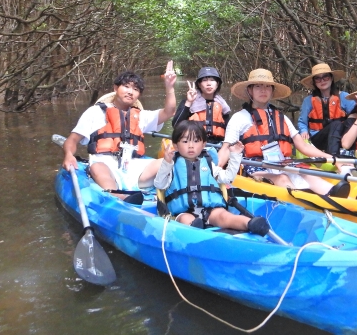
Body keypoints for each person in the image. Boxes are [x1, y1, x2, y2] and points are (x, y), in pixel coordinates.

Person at [60, 62, 178, 201]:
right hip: (105, 165)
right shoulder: (95, 112)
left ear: (138, 94)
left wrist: (169, 87)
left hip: (135, 168)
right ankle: (118, 197)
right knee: (97, 167)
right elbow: (72, 140)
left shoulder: (141, 116)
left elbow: (169, 111)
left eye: (135, 89)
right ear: (116, 88)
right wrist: (69, 155)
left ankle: (176, 196)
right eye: (126, 86)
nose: (130, 91)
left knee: (169, 161)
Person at [218, 68, 343, 195]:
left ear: (272, 91)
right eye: (258, 86)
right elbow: (226, 148)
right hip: (255, 166)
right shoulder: (239, 118)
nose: (263, 90)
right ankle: (302, 201)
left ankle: (337, 198)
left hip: (282, 163)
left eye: (267, 86)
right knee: (282, 178)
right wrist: (217, 169)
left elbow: (303, 146)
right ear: (250, 90)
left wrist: (332, 158)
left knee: (309, 175)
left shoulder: (281, 117)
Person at [154, 120, 270, 235]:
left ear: (203, 144)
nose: (191, 146)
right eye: (185, 141)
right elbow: (160, 184)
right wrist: (167, 162)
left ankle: (250, 223)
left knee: (225, 216)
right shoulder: (171, 165)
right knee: (185, 219)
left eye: (196, 141)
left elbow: (228, 178)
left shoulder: (209, 163)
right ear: (175, 145)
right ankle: (194, 227)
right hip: (184, 212)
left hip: (211, 210)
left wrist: (235, 155)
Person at [298, 63, 356, 155]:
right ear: (314, 82)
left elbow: (355, 114)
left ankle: (347, 154)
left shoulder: (344, 97)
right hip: (318, 138)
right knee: (335, 124)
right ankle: (334, 157)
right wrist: (303, 131)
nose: (322, 81)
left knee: (342, 124)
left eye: (326, 77)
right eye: (318, 78)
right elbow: (302, 122)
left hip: (341, 138)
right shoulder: (308, 100)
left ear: (331, 78)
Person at [171, 66, 231, 143]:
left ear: (217, 84)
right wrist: (189, 102)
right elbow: (176, 125)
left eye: (212, 80)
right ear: (199, 84)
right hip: (194, 144)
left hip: (217, 145)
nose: (209, 83)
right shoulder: (188, 101)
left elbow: (230, 131)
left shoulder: (222, 106)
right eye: (205, 80)